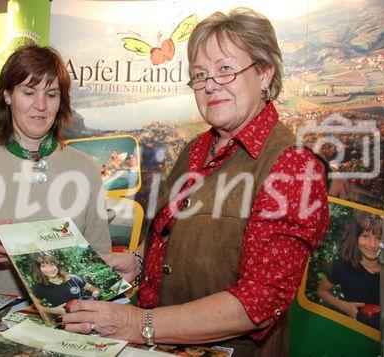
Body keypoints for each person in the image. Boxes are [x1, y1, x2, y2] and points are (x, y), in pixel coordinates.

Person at [61, 8, 329, 357]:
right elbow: (174, 235)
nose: (210, 85)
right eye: (200, 75)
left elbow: (258, 301)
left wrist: (136, 324)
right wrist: (137, 263)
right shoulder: (197, 148)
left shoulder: (292, 166)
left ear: (265, 73)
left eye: (225, 70)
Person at [0, 45, 111, 296]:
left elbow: (101, 263)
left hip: (64, 325)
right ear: (7, 95)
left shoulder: (86, 170)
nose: (41, 105)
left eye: (51, 95)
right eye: (29, 92)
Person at [317, 211, 381, 329]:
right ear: (355, 237)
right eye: (365, 236)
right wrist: (344, 306)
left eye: (379, 238)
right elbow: (322, 290)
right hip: (356, 332)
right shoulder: (341, 267)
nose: (373, 245)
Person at [30, 254, 100, 318]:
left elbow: (96, 290)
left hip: (89, 314)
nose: (50, 269)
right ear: (38, 269)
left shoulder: (72, 278)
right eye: (43, 266)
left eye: (52, 264)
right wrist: (54, 310)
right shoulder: (38, 287)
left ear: (56, 265)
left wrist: (92, 299)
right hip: (70, 320)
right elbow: (34, 306)